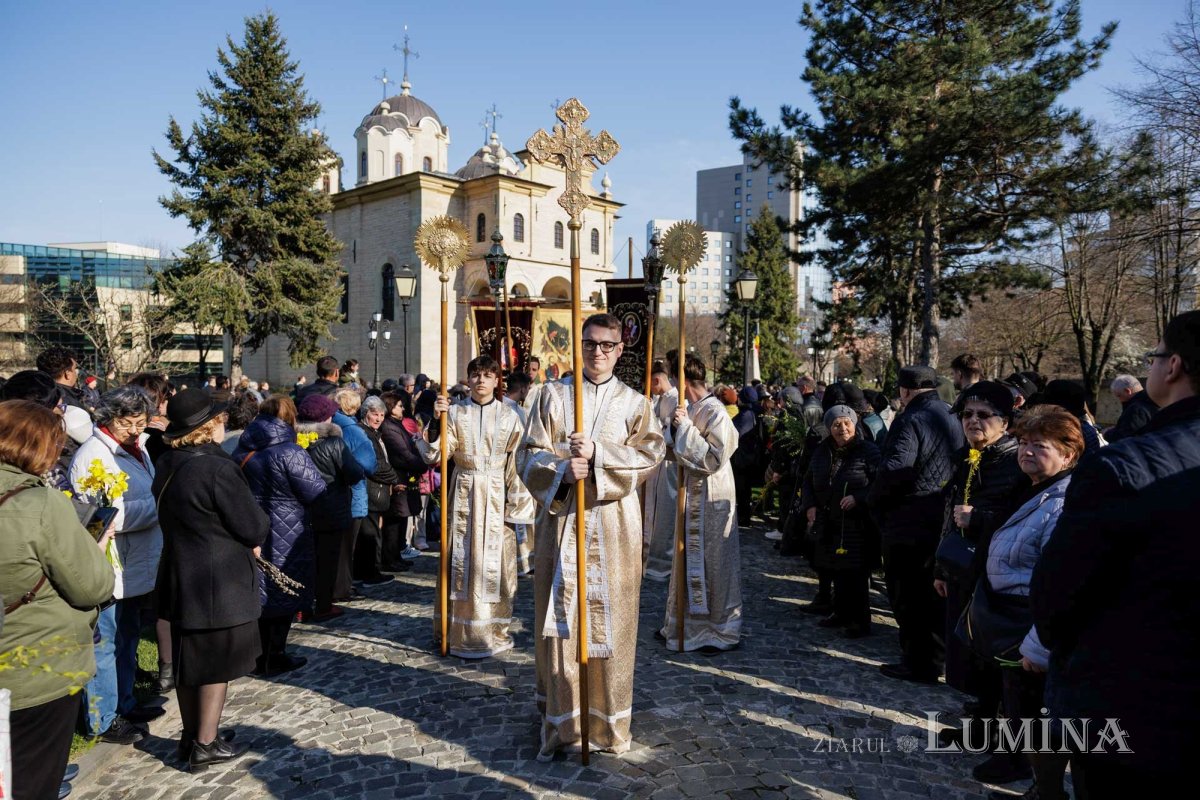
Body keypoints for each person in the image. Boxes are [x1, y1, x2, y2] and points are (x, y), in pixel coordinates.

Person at [1032, 311, 1200, 798]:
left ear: (1173, 368)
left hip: (1132, 701)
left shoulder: (1122, 466)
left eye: (1156, 355)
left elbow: (1058, 590)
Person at [518, 313, 665, 759]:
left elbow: (652, 454)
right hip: (562, 523)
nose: (597, 352)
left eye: (606, 345)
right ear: (578, 346)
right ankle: (563, 723)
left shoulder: (636, 403)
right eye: (589, 343)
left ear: (620, 350)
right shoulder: (551, 395)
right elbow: (528, 455)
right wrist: (563, 470)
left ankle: (606, 722)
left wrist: (600, 456)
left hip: (614, 523)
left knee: (613, 624)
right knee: (561, 624)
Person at [0, 400, 115, 800]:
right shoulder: (40, 504)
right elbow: (93, 586)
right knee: (32, 780)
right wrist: (94, 548)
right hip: (36, 666)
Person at [970, 406, 1083, 800]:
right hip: (1009, 618)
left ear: (1068, 454)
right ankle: (1021, 763)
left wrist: (1038, 641)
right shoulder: (1034, 488)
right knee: (1015, 698)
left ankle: (1037, 779)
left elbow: (1062, 581)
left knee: (1032, 707)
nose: (1026, 452)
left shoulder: (1064, 501)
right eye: (1022, 443)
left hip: (1031, 623)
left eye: (1039, 445)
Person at [154, 389, 267, 769]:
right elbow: (252, 525)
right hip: (217, 578)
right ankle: (205, 742)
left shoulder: (169, 460)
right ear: (206, 427)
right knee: (214, 663)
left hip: (180, 570)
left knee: (191, 660)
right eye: (218, 419)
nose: (224, 423)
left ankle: (194, 735)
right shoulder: (217, 468)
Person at [932, 381, 1028, 785]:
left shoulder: (1013, 462)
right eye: (968, 414)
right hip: (963, 569)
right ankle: (981, 729)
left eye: (983, 415)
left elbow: (1018, 522)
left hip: (998, 577)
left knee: (997, 662)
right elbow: (950, 511)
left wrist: (980, 520)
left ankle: (1010, 748)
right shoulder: (971, 456)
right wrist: (941, 565)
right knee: (972, 654)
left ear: (1004, 423)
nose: (973, 421)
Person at [418, 355, 534, 658]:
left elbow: (518, 461)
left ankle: (494, 630)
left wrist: (516, 503)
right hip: (464, 490)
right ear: (468, 379)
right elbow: (437, 455)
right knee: (461, 560)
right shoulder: (455, 413)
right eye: (475, 374)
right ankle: (455, 631)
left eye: (487, 375)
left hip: (496, 492)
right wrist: (435, 425)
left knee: (497, 564)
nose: (481, 380)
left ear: (497, 381)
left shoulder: (512, 416)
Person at [69, 386, 166, 743]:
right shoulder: (93, 457)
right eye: (130, 422)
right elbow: (107, 516)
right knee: (105, 642)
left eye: (141, 422)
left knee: (126, 637)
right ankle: (102, 717)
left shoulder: (136, 447)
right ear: (110, 418)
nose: (137, 429)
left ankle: (124, 702)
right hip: (111, 563)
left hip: (136, 561)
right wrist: (160, 507)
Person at [868, 365, 964, 684]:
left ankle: (918, 662)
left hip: (910, 518)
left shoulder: (911, 418)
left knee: (907, 593)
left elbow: (896, 469)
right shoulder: (954, 413)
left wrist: (876, 502)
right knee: (934, 592)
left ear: (906, 391)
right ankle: (936, 657)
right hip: (945, 515)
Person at [232, 396, 326, 675]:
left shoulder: (241, 447)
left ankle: (259, 654)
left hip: (252, 524)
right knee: (283, 587)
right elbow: (315, 490)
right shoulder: (290, 451)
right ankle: (276, 653)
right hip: (288, 525)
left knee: (262, 588)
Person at [658, 352, 742, 653]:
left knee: (713, 561)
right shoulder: (690, 408)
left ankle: (717, 629)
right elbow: (671, 447)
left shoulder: (716, 411)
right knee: (685, 558)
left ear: (683, 379)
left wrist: (686, 430)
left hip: (711, 494)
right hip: (689, 492)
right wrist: (673, 430)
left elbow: (712, 458)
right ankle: (682, 623)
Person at [800, 404, 880, 638]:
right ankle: (840, 612)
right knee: (834, 569)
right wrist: (810, 505)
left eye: (847, 423)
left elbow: (879, 483)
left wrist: (859, 497)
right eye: (836, 424)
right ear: (829, 428)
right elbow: (808, 480)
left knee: (855, 573)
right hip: (829, 521)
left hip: (857, 525)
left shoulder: (868, 451)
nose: (842, 429)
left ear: (854, 425)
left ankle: (859, 621)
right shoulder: (822, 450)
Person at [295, 394, 366, 622]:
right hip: (331, 509)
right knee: (327, 561)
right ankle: (324, 605)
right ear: (326, 418)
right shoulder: (334, 442)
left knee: (304, 560)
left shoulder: (293, 440)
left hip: (302, 511)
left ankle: (302, 606)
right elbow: (354, 473)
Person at [331, 388, 378, 599]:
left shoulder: (330, 424)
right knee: (347, 546)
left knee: (337, 547)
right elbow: (369, 464)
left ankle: (337, 585)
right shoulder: (353, 430)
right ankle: (343, 587)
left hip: (332, 495)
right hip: (353, 493)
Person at [378, 391, 427, 568]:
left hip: (405, 477)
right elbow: (403, 453)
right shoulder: (389, 427)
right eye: (399, 406)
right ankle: (389, 558)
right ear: (391, 407)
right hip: (397, 477)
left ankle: (396, 555)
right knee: (394, 520)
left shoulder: (395, 425)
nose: (403, 408)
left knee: (401, 518)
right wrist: (421, 465)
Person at [642, 361, 679, 581]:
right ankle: (649, 558)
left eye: (651, 384)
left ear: (657, 380)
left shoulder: (677, 400)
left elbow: (671, 433)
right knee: (651, 513)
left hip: (670, 465)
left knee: (666, 514)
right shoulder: (660, 400)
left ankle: (664, 563)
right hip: (657, 464)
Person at [501, 371, 536, 575]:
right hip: (512, 469)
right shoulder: (507, 411)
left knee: (522, 517)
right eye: (527, 389)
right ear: (522, 388)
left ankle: (524, 561)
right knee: (515, 517)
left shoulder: (517, 409)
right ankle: (518, 562)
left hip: (520, 468)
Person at [1105, 374, 1156, 441]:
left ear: (1128, 391)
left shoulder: (1136, 410)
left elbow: (1125, 438)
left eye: (1119, 396)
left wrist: (1107, 434)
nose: (1120, 400)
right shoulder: (1152, 401)